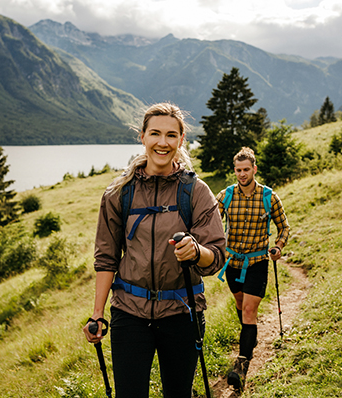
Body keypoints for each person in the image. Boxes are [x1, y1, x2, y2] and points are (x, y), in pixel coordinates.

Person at [83, 102, 226, 398]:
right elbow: (106, 258)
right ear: (143, 136)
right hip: (129, 313)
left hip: (182, 311)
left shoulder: (196, 192)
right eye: (156, 134)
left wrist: (196, 252)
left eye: (171, 135)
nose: (163, 143)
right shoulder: (119, 192)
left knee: (178, 393)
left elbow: (217, 255)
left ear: (181, 140)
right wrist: (97, 315)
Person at [215, 147, 290, 390]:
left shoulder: (269, 196)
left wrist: (278, 246)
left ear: (254, 169)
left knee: (248, 310)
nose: (242, 174)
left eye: (246, 169)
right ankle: (251, 337)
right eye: (238, 170)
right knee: (240, 305)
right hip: (232, 264)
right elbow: (209, 220)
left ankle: (242, 365)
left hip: (258, 262)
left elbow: (284, 227)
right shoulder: (225, 195)